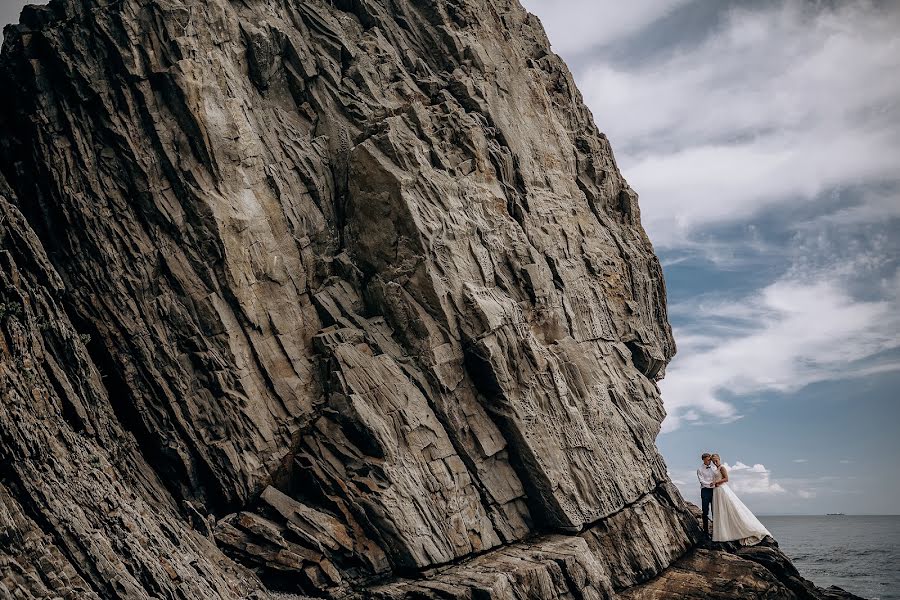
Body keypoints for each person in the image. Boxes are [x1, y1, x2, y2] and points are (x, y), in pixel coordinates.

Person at [710, 453, 771, 545]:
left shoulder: (722, 468)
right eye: (713, 461)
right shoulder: (716, 469)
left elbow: (726, 479)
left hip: (722, 490)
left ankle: (745, 529)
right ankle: (723, 533)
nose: (715, 462)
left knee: (729, 509)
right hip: (716, 491)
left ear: (719, 459)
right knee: (721, 511)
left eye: (716, 460)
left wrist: (717, 482)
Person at [696, 452, 717, 538]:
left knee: (715, 511)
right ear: (704, 459)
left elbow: (716, 478)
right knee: (705, 511)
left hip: (714, 491)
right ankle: (706, 531)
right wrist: (711, 484)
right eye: (708, 460)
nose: (710, 461)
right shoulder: (699, 469)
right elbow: (702, 482)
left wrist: (714, 484)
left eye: (710, 460)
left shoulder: (713, 468)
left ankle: (716, 531)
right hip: (705, 491)